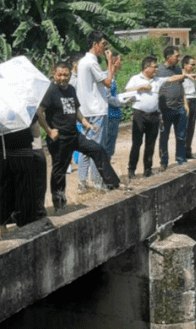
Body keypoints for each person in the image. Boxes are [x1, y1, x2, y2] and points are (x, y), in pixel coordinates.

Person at [37, 60, 124, 213]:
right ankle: (60, 205)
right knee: (59, 171)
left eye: (66, 75)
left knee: (97, 150)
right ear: (54, 74)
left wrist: (85, 122)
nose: (63, 78)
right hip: (59, 139)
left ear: (70, 74)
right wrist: (49, 130)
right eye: (60, 75)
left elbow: (75, 109)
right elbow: (39, 111)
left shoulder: (70, 89)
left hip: (74, 135)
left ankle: (112, 183)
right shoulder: (50, 91)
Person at [76, 32, 119, 191]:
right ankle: (97, 182)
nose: (105, 48)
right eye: (103, 44)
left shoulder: (83, 62)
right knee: (97, 148)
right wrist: (110, 63)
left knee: (85, 148)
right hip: (97, 109)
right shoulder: (91, 62)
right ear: (95, 44)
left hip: (86, 110)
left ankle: (82, 182)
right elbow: (107, 82)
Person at [0, 116, 46, 233]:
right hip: (21, 150)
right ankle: (24, 223)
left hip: (4, 151)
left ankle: (3, 227)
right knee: (25, 189)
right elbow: (35, 130)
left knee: (4, 188)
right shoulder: (23, 102)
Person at [123, 56, 165, 180]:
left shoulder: (157, 80)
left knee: (150, 144)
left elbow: (171, 78)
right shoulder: (136, 79)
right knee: (137, 143)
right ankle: (131, 170)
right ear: (147, 67)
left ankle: (148, 169)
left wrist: (184, 75)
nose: (156, 69)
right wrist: (140, 88)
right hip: (139, 115)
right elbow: (126, 92)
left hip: (154, 115)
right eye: (154, 66)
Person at [156, 45, 189, 169]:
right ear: (169, 57)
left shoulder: (178, 70)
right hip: (165, 109)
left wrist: (185, 103)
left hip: (179, 107)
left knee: (181, 136)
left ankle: (181, 159)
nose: (178, 58)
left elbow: (181, 87)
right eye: (176, 56)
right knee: (164, 137)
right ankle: (164, 162)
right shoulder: (158, 70)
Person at [181, 54, 196, 159]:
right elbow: (181, 91)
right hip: (186, 101)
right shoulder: (181, 76)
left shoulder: (193, 76)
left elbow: (193, 89)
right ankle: (181, 153)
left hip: (193, 100)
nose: (193, 67)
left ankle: (188, 151)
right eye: (191, 65)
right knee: (185, 127)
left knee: (191, 127)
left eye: (194, 65)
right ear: (185, 65)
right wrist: (185, 104)